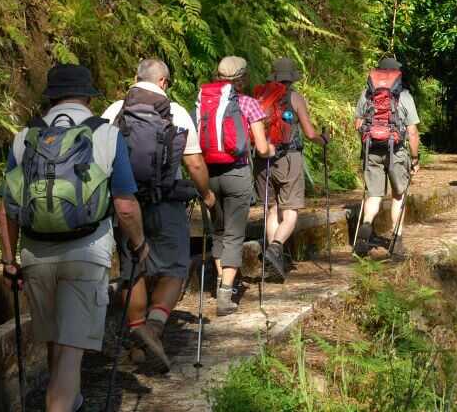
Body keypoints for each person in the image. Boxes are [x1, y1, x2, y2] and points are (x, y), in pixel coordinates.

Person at [0, 64, 148, 412]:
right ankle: (63, 403)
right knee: (69, 353)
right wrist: (140, 245)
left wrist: (9, 260)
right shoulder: (107, 135)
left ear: (51, 98)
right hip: (86, 252)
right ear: (87, 96)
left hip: (35, 254)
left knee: (55, 341)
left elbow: (7, 206)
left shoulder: (25, 137)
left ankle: (72, 400)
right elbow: (125, 206)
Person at [101, 59, 216, 370]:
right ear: (164, 81)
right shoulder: (176, 112)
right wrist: (206, 194)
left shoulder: (114, 112)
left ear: (136, 78)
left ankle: (137, 331)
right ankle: (153, 327)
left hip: (125, 205)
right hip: (165, 204)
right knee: (176, 268)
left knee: (132, 270)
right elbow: (193, 164)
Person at [195, 56, 275, 316]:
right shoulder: (249, 104)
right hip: (237, 172)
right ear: (242, 78)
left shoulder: (203, 102)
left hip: (208, 173)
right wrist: (271, 149)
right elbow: (262, 149)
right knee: (234, 234)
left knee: (218, 230)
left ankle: (222, 281)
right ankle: (225, 295)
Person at [253, 57, 330, 279]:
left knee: (272, 210)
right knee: (291, 211)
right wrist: (322, 139)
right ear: (291, 77)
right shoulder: (294, 97)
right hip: (289, 158)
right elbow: (309, 132)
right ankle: (276, 248)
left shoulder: (259, 96)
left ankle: (275, 259)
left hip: (263, 159)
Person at [352, 57, 420, 258]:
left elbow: (358, 124)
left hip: (371, 149)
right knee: (398, 196)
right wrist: (415, 158)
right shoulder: (404, 96)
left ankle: (365, 227)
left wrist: (367, 143)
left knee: (374, 195)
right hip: (397, 151)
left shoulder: (367, 94)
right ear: (396, 73)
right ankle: (397, 241)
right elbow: (413, 131)